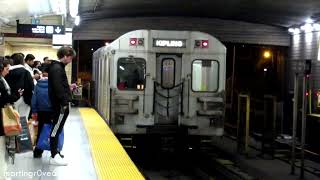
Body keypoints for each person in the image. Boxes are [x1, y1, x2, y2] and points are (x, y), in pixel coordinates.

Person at [48, 46, 76, 166]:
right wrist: (64, 103)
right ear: (65, 56)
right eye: (70, 58)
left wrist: (68, 88)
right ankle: (54, 155)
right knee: (56, 129)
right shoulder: (57, 69)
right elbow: (57, 88)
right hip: (60, 105)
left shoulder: (57, 68)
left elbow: (60, 86)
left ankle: (56, 152)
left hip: (60, 104)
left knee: (57, 129)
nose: (71, 60)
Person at [0, 57, 23, 180]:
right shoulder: (0, 82)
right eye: (7, 69)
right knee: (1, 149)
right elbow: (3, 99)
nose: (8, 71)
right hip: (1, 118)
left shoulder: (2, 80)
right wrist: (15, 96)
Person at [31, 64, 53, 158]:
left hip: (41, 112)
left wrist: (34, 111)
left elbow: (34, 100)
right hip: (52, 112)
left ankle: (37, 152)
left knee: (41, 130)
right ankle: (53, 150)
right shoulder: (53, 85)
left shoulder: (37, 84)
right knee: (53, 131)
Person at [5, 53, 34, 120]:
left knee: (12, 120)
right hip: (24, 99)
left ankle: (14, 130)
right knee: (23, 119)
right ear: (23, 62)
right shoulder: (26, 72)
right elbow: (31, 86)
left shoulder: (8, 72)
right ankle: (23, 131)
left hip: (11, 98)